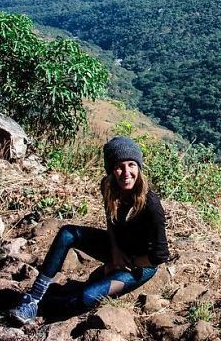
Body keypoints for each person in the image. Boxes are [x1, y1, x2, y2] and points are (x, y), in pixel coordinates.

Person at [9, 136, 170, 324]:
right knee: (67, 233)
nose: (126, 172)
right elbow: (111, 220)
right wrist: (115, 251)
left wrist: (128, 262)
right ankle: (33, 299)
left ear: (139, 167)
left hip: (140, 265)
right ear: (111, 170)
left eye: (131, 165)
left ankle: (49, 305)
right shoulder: (109, 186)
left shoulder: (151, 205)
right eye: (119, 166)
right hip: (119, 249)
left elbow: (159, 256)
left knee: (86, 297)